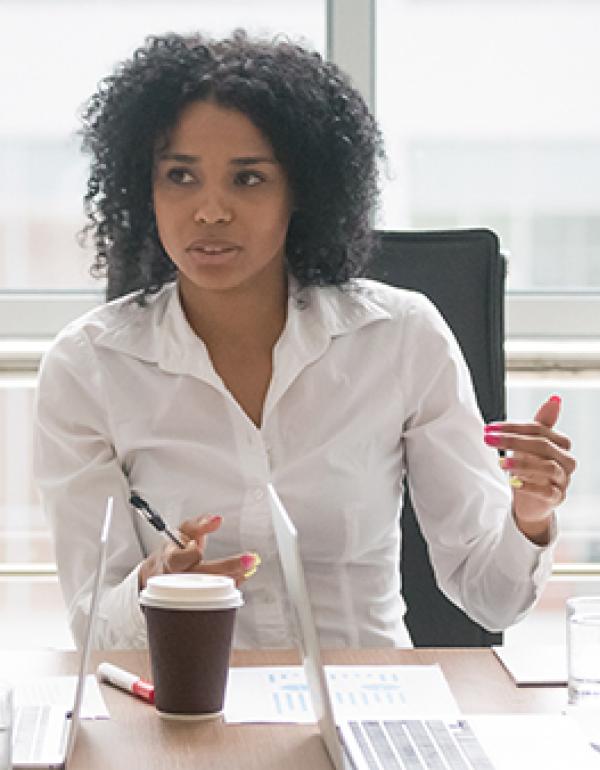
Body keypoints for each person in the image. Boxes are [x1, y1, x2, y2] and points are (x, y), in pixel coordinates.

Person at [34, 31, 575, 650]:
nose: (210, 210)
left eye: (248, 179)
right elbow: (93, 629)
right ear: (143, 189)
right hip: (188, 708)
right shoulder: (88, 366)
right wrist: (149, 587)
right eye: (180, 176)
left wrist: (528, 517)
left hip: (369, 706)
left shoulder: (399, 338)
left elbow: (492, 598)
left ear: (302, 192)